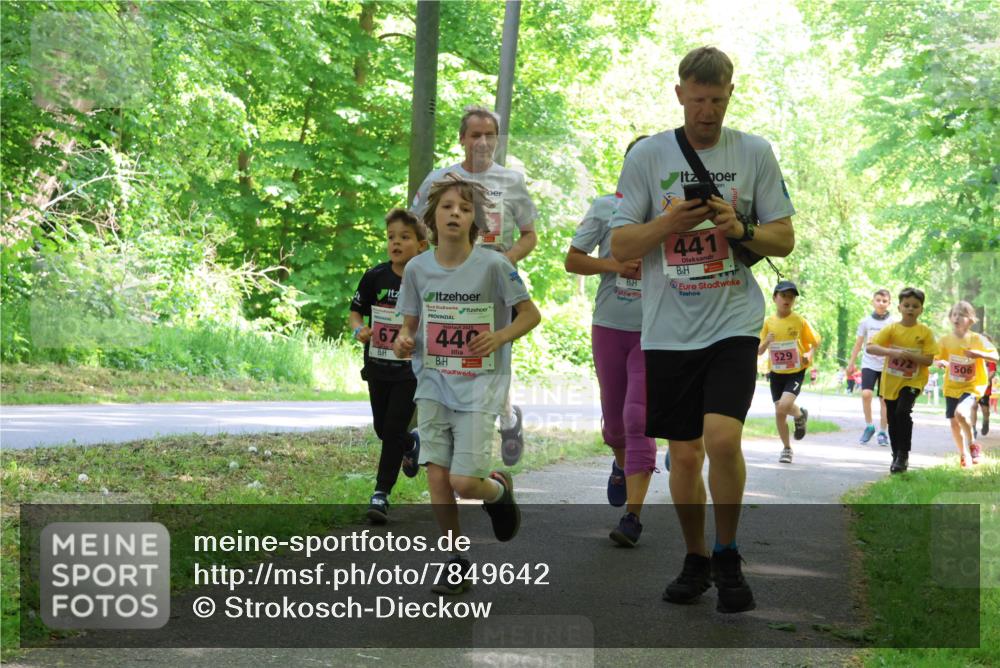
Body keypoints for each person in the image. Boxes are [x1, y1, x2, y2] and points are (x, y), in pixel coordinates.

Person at [610, 46, 795, 613]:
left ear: (730, 95)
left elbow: (783, 239)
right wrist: (667, 223)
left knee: (722, 439)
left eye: (717, 100)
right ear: (680, 94)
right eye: (698, 100)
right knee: (684, 455)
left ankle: (728, 553)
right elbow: (620, 245)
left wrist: (739, 225)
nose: (707, 111)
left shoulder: (755, 152)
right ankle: (695, 559)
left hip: (733, 320)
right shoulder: (648, 157)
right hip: (668, 327)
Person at [395, 178, 541, 594]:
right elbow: (410, 326)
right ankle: (454, 559)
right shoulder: (419, 269)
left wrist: (499, 336)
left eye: (463, 207)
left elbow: (530, 315)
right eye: (446, 207)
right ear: (432, 218)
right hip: (433, 383)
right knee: (438, 478)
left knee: (464, 482)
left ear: (475, 218)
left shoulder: (495, 265)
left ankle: (497, 491)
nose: (455, 213)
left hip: (480, 386)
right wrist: (406, 341)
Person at [411, 106, 538, 467]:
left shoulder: (511, 181)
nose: (483, 142)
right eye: (475, 135)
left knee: (491, 363)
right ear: (462, 139)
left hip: (493, 287)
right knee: (437, 356)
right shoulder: (441, 178)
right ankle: (432, 435)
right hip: (447, 283)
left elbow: (530, 237)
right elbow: (418, 227)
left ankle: (508, 419)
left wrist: (503, 263)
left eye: (490, 135)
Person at [565, 136, 656, 547]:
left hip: (656, 331)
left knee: (640, 419)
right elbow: (572, 259)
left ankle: (633, 516)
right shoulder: (606, 206)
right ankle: (620, 465)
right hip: (609, 325)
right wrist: (614, 264)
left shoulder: (671, 214)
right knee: (615, 425)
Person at [349, 209, 428, 524]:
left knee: (393, 427)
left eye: (404, 237)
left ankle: (380, 493)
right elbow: (355, 312)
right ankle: (412, 443)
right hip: (377, 365)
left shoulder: (426, 280)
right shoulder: (375, 276)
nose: (396, 243)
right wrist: (359, 331)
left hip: (409, 369)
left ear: (421, 245)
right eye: (391, 237)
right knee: (384, 430)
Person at [866, 287, 938, 473]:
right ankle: (896, 455)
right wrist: (893, 352)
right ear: (899, 307)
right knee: (892, 417)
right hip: (890, 381)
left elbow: (929, 360)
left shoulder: (925, 332)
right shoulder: (891, 329)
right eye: (906, 305)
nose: (910, 309)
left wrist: (912, 357)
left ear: (921, 309)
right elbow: (871, 348)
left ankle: (903, 455)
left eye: (915, 306)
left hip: (913, 381)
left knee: (902, 412)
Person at [757, 280, 819, 464]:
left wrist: (809, 353)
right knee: (779, 412)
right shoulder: (768, 323)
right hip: (776, 372)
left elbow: (814, 341)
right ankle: (786, 448)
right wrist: (767, 341)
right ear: (775, 298)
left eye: (791, 297)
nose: (787, 300)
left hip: (796, 370)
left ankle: (799, 415)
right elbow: (759, 350)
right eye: (784, 296)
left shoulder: (799, 320)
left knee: (784, 405)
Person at [934, 302, 998, 467]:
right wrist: (939, 362)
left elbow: (995, 357)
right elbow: (935, 358)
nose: (957, 317)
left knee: (961, 414)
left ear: (970, 320)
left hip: (972, 386)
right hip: (951, 387)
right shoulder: (945, 340)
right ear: (950, 318)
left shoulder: (978, 339)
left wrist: (979, 354)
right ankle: (963, 453)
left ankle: (973, 444)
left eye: (962, 314)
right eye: (954, 314)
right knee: (954, 422)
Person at [847, 289, 895, 446]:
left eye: (884, 301)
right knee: (866, 394)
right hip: (869, 363)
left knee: (884, 400)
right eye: (878, 300)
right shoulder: (865, 322)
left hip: (887, 365)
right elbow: (859, 343)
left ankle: (883, 431)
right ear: (873, 301)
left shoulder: (893, 323)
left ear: (889, 303)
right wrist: (851, 363)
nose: (881, 303)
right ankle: (869, 426)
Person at [970, 358, 996, 437]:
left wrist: (984, 380)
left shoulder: (989, 357)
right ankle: (973, 428)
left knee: (985, 410)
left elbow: (993, 372)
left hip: (985, 388)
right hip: (973, 386)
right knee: (973, 405)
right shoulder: (974, 357)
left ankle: (986, 422)